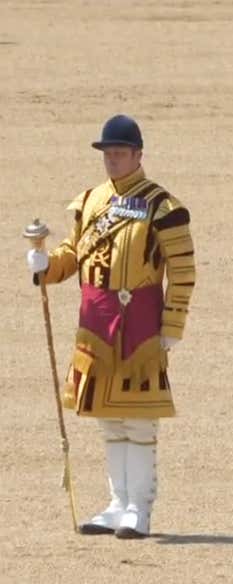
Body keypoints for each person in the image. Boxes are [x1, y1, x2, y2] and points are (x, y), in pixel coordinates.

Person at [25, 114, 196, 537]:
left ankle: (140, 505)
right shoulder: (89, 202)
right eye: (108, 153)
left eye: (121, 153)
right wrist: (46, 267)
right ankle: (118, 503)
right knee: (108, 419)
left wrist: (172, 322)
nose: (113, 160)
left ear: (138, 154)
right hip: (96, 325)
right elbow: (73, 253)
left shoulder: (163, 207)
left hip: (139, 326)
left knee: (138, 420)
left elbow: (183, 270)